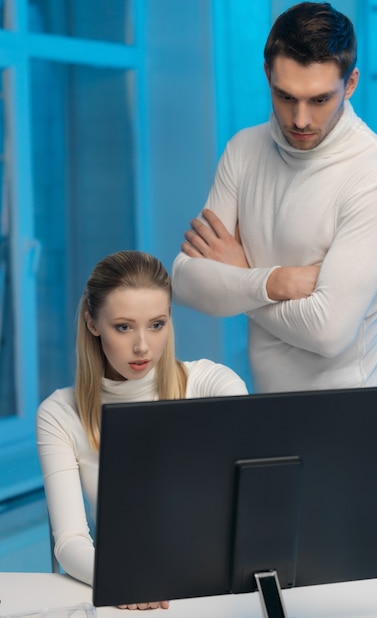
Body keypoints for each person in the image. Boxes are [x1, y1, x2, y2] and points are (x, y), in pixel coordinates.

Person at [172, 1, 377, 393]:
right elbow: (185, 281)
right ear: (267, 75)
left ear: (350, 84)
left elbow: (328, 333)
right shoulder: (243, 150)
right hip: (273, 410)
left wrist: (240, 275)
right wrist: (277, 281)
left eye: (319, 100)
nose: (300, 120)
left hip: (354, 417)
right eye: (286, 97)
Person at [36, 250, 248, 610]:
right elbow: (70, 541)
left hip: (215, 590)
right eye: (123, 326)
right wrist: (126, 580)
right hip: (130, 594)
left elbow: (244, 507)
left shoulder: (212, 383)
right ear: (92, 323)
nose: (142, 346)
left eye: (156, 324)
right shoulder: (59, 413)